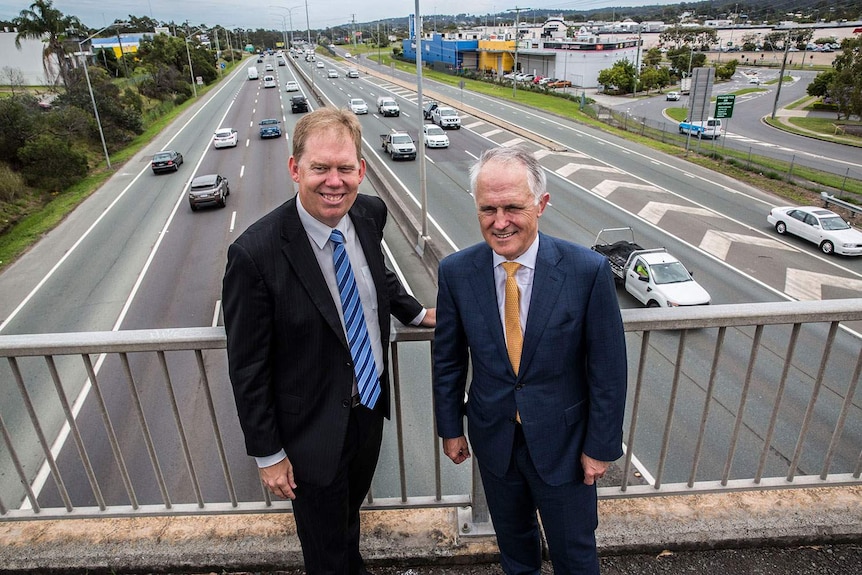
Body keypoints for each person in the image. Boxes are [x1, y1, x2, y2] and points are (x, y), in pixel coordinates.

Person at [222, 107, 435, 575]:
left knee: (345, 519)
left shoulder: (368, 213)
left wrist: (416, 312)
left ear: (361, 169)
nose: (333, 181)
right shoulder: (254, 255)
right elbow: (247, 368)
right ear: (295, 168)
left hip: (367, 412)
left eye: (344, 168)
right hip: (309, 433)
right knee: (324, 547)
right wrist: (269, 455)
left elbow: (377, 274)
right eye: (320, 168)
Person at [433, 146, 627, 575]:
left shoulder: (587, 270)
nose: (500, 222)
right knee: (515, 552)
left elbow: (608, 370)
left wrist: (600, 447)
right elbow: (447, 360)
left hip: (566, 447)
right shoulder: (456, 272)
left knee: (574, 555)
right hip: (495, 442)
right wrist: (450, 429)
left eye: (513, 208)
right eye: (488, 209)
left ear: (541, 204)